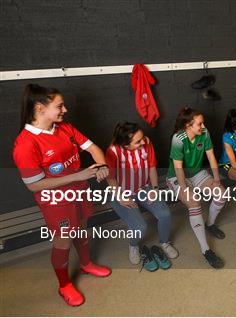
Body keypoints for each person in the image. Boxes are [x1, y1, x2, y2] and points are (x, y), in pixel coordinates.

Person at [13, 84, 111, 306]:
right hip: (56, 202)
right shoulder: (25, 144)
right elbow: (35, 186)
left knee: (83, 227)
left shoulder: (64, 128)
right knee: (63, 241)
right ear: (40, 108)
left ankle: (86, 264)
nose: (65, 110)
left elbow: (94, 148)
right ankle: (64, 284)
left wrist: (102, 164)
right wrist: (78, 177)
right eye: (59, 106)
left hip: (80, 192)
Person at [106, 122, 178, 269]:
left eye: (143, 137)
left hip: (143, 187)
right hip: (121, 191)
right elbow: (111, 178)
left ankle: (164, 242)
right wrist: (120, 197)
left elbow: (152, 167)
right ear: (126, 145)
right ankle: (133, 246)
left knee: (165, 214)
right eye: (138, 141)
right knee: (140, 226)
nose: (143, 142)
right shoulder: (113, 151)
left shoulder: (147, 143)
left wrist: (155, 189)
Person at [166, 107, 226, 269]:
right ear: (188, 125)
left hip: (197, 173)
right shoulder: (178, 139)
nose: (203, 126)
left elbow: (211, 156)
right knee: (194, 202)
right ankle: (206, 250)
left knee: (221, 194)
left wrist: (216, 179)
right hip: (177, 176)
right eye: (199, 124)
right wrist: (185, 189)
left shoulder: (204, 133)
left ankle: (210, 224)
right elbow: (178, 168)